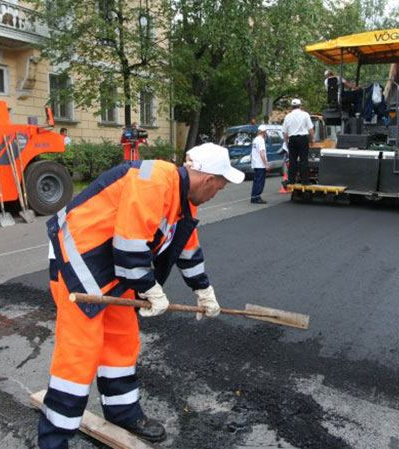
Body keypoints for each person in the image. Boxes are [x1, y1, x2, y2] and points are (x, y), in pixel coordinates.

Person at [38, 143, 245, 448]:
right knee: (79, 354)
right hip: (78, 263)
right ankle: (54, 439)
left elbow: (187, 248)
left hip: (112, 269)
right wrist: (150, 289)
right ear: (207, 179)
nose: (218, 193)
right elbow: (129, 243)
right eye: (220, 186)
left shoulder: (185, 200)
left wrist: (204, 290)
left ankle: (123, 412)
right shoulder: (155, 179)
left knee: (122, 342)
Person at [282, 99, 314, 186]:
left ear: (291, 107)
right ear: (300, 105)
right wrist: (311, 140)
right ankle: (305, 181)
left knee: (292, 160)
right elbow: (310, 129)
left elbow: (285, 133)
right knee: (304, 160)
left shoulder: (288, 116)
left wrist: (286, 143)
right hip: (303, 139)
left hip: (292, 139)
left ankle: (291, 180)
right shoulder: (305, 114)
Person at [250, 125, 270, 204]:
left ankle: (253, 196)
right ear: (264, 132)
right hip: (260, 164)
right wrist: (266, 164)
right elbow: (262, 153)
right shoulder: (261, 140)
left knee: (256, 181)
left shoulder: (255, 140)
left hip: (255, 164)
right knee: (260, 182)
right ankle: (257, 197)